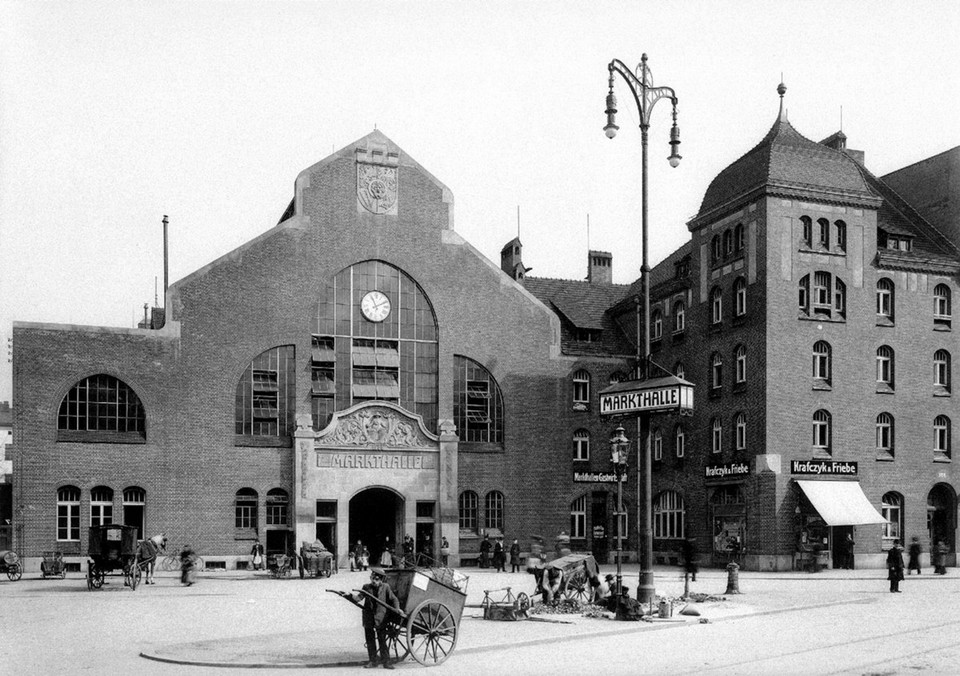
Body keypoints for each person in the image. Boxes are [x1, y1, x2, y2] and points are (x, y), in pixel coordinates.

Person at [353, 567, 400, 669]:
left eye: (377, 579)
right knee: (370, 640)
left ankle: (386, 662)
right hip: (368, 617)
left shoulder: (386, 587)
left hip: (381, 617)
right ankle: (373, 661)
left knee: (382, 640)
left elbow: (394, 599)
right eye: (373, 579)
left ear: (381, 580)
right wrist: (350, 597)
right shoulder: (366, 587)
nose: (374, 581)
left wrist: (397, 609)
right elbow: (359, 597)